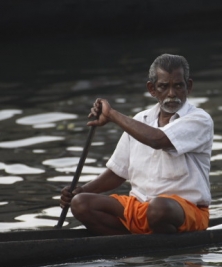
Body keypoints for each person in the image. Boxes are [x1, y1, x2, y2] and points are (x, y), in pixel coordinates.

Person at [60, 54, 213, 236]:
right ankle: (130, 242)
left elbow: (157, 140)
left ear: (189, 87)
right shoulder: (140, 120)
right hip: (139, 208)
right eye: (164, 86)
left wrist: (112, 115)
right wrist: (79, 191)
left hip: (183, 211)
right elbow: (117, 172)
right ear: (152, 89)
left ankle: (148, 243)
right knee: (81, 203)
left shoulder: (199, 119)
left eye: (178, 86)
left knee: (159, 207)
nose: (172, 93)